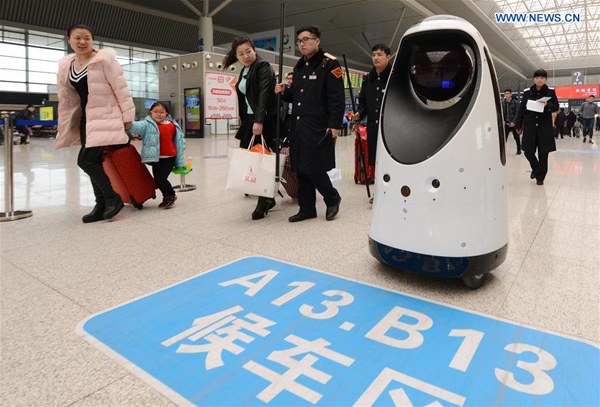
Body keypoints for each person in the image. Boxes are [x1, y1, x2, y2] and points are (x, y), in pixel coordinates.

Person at [55, 24, 134, 223]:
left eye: (87, 38)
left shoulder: (104, 61)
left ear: (93, 40)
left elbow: (121, 89)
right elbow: (67, 96)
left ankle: (112, 197)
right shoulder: (67, 65)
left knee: (85, 160)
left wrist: (127, 116)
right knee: (94, 162)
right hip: (84, 120)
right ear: (69, 40)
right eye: (77, 38)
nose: (82, 42)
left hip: (105, 117)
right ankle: (101, 205)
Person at [275, 25, 345, 222]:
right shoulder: (299, 66)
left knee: (313, 166)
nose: (302, 44)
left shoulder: (330, 65)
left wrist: (335, 125)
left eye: (306, 39)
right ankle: (307, 208)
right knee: (300, 167)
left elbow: (336, 99)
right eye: (299, 41)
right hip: (298, 125)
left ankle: (332, 198)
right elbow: (297, 95)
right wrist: (285, 92)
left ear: (317, 41)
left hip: (318, 126)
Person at [223, 36, 278, 220]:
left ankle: (264, 201)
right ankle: (267, 196)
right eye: (241, 54)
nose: (245, 56)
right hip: (249, 120)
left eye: (248, 51)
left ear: (254, 50)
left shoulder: (263, 67)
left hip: (263, 120)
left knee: (261, 159)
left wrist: (259, 120)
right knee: (251, 160)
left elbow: (263, 94)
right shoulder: (245, 70)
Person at [127, 102, 185, 209]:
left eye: (162, 112)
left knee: (161, 179)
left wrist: (180, 161)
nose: (158, 114)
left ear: (166, 114)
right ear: (151, 113)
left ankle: (171, 195)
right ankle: (166, 196)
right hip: (156, 158)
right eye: (155, 112)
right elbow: (136, 126)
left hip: (169, 157)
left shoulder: (172, 125)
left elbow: (179, 143)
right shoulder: (147, 124)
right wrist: (127, 123)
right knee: (157, 180)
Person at [512, 69, 559, 186]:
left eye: (542, 78)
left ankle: (540, 178)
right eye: (537, 77)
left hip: (544, 127)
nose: (539, 80)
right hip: (530, 126)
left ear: (546, 79)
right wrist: (518, 125)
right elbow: (522, 109)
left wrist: (548, 105)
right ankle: (537, 169)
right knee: (528, 151)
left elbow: (556, 107)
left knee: (543, 153)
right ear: (534, 79)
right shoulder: (527, 92)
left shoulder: (550, 92)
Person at [501, 89, 521, 154]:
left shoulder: (515, 102)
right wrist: (503, 120)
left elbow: (517, 112)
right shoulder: (503, 102)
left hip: (513, 122)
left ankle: (519, 149)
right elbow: (503, 112)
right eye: (505, 93)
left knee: (516, 136)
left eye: (507, 93)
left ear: (511, 94)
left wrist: (514, 122)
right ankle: (503, 151)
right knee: (505, 137)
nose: (506, 95)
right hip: (507, 122)